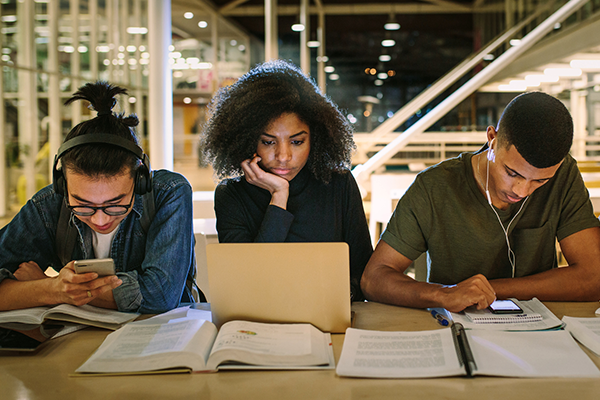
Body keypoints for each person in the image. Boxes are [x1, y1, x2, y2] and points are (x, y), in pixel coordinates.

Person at [361, 91, 600, 312]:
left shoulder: (565, 174)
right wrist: (444, 294)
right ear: (492, 139)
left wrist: (491, 290)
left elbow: (593, 278)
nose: (522, 190)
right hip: (457, 328)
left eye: (540, 181)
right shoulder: (434, 187)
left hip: (540, 330)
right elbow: (374, 278)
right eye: (512, 173)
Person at [0, 81, 201, 313]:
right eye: (83, 206)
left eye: (115, 205)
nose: (100, 220)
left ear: (141, 180)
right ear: (61, 184)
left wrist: (45, 288)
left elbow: (160, 296)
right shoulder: (49, 204)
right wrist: (52, 289)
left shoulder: (168, 192)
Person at [200, 60, 373, 301]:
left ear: (316, 138)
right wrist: (279, 196)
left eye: (297, 141)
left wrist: (337, 296)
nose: (283, 156)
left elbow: (364, 274)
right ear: (248, 140)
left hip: (329, 317)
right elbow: (249, 281)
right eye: (269, 142)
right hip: (260, 322)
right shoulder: (231, 196)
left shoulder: (338, 184)